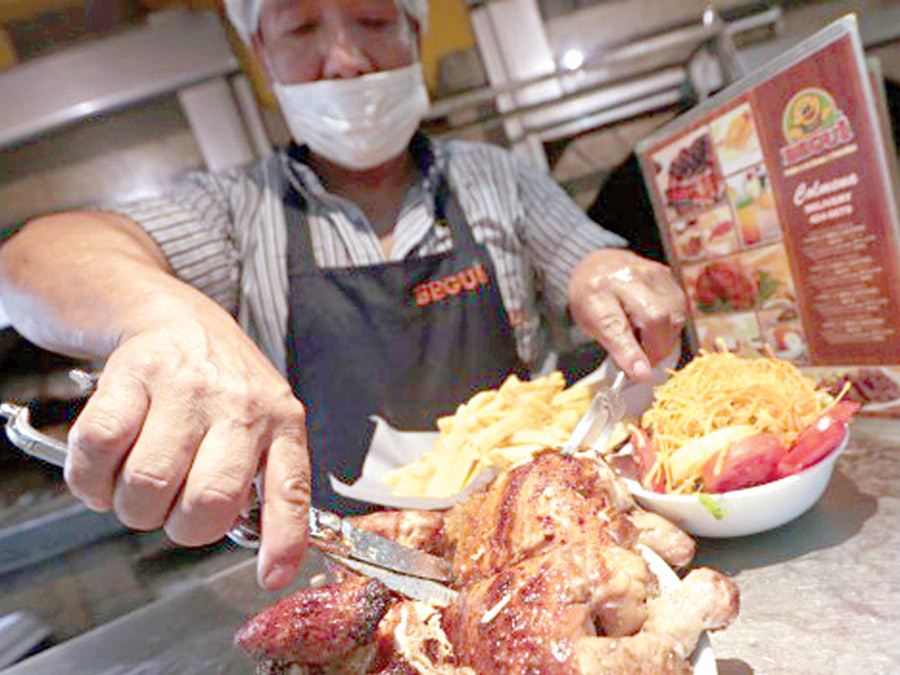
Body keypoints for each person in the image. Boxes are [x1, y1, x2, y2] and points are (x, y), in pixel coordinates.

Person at [0, 0, 687, 591]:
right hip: (360, 570)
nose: (345, 58)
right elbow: (31, 260)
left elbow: (585, 256)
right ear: (262, 54)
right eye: (301, 28)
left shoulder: (494, 180)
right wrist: (164, 314)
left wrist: (604, 269)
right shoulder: (238, 213)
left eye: (372, 18)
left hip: (548, 532)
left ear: (415, 35)